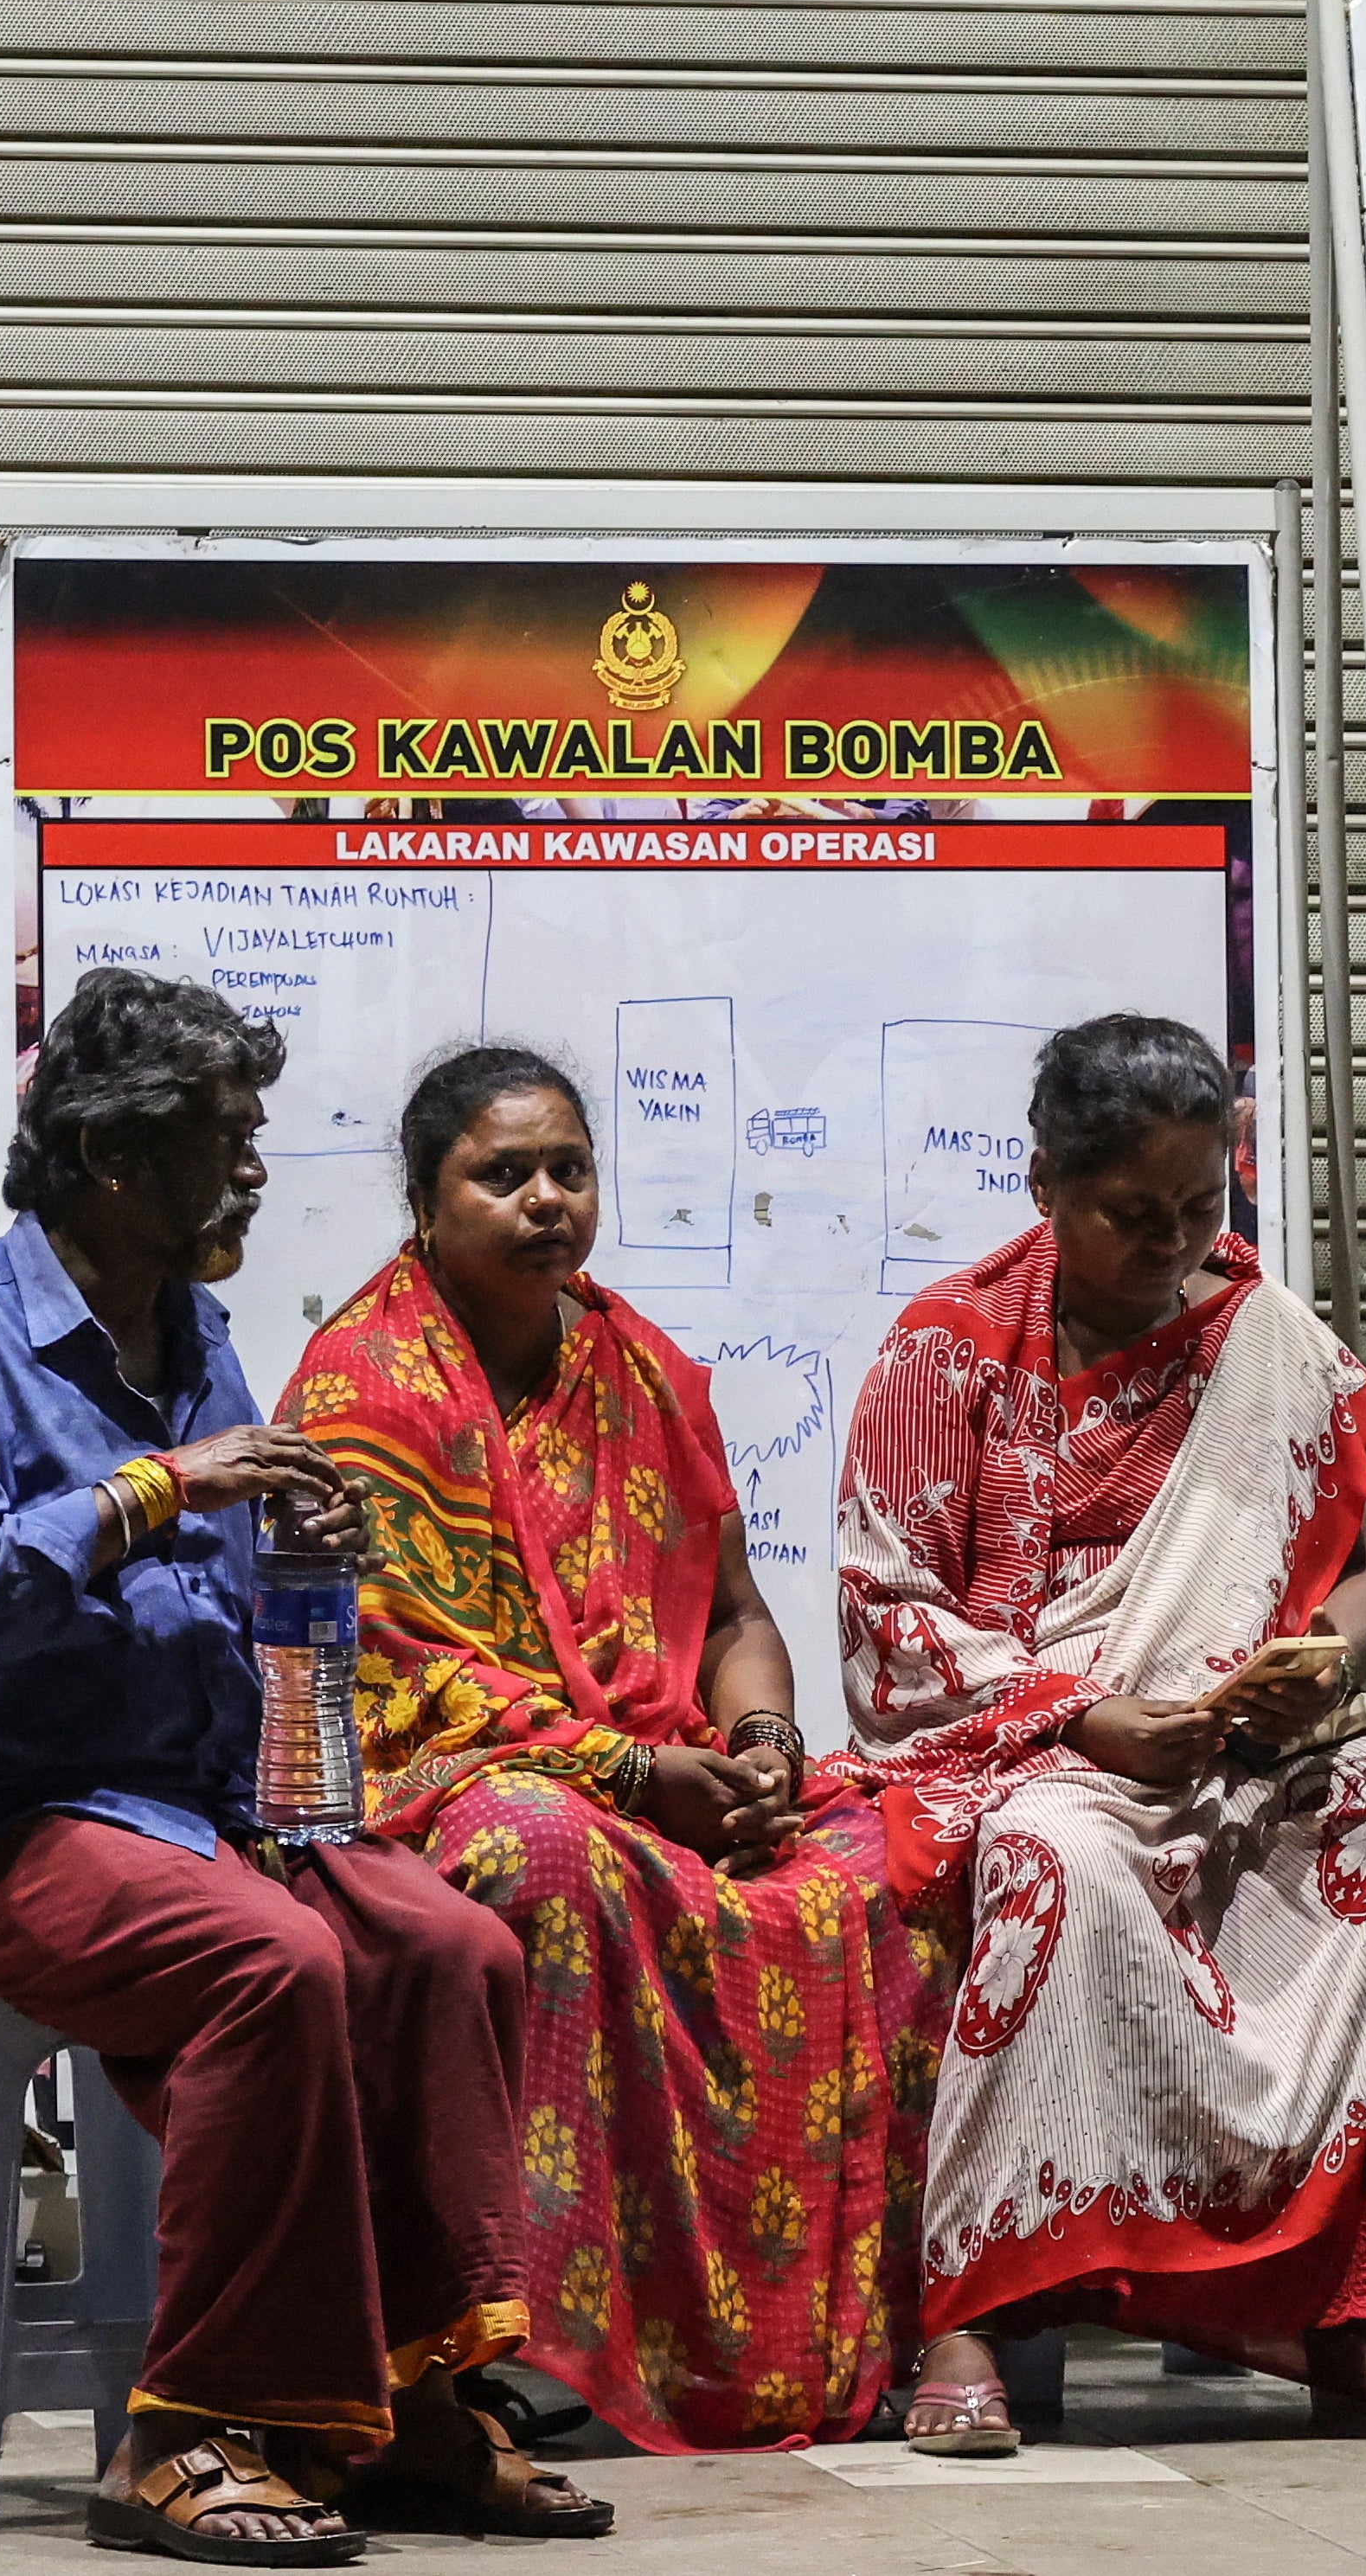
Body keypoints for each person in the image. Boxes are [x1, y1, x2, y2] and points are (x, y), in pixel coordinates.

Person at [0, 972, 610, 2562]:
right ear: (116, 1159)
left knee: (448, 1944)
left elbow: (218, 1592)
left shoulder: (200, 1337)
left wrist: (296, 1563)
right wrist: (152, 1487)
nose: (254, 1167)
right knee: (273, 1967)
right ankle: (181, 2435)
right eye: (226, 1139)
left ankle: (399, 2408)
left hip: (183, 1807)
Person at [833, 1013, 1366, 2449]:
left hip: (1267, 1734)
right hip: (1048, 1736)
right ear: (1045, 1179)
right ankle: (974, 2312)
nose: (1174, 1245)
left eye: (1203, 1208)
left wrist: (1324, 1666)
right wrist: (1097, 1715)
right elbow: (889, 1618)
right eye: (1136, 1214)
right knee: (1058, 1874)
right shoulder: (943, 1353)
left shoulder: (1263, 1327)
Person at [277, 1048, 946, 2452]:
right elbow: (398, 1667)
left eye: (567, 1170)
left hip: (672, 1765)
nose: (544, 1200)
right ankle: (534, 2345)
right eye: (501, 1174)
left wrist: (763, 1743)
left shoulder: (641, 1364)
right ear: (423, 1199)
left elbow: (739, 1615)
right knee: (551, 1854)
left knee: (893, 1862)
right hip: (441, 1779)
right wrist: (638, 1777)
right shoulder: (364, 1384)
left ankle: (867, 2334)